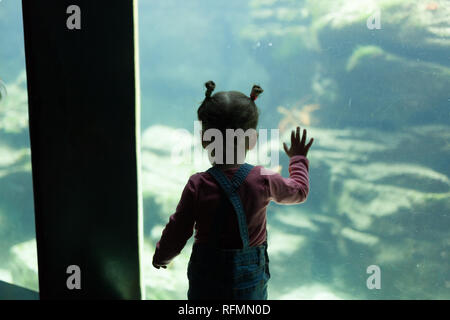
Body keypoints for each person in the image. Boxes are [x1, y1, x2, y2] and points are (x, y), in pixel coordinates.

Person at [152, 80, 313, 300]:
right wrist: (298, 159)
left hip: (206, 281)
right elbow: (299, 191)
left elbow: (178, 230)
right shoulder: (264, 179)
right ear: (252, 141)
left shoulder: (197, 185)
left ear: (204, 140)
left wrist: (163, 256)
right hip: (250, 280)